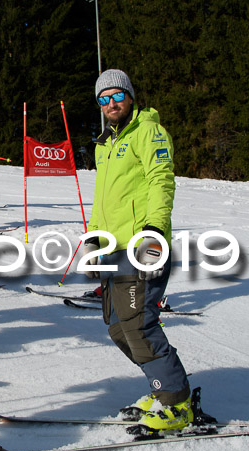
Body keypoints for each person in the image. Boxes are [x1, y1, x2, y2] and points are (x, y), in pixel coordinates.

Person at [83, 69, 191, 432]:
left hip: (142, 243)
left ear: (130, 97)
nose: (111, 104)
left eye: (117, 96)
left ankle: (176, 402)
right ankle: (159, 388)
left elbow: (162, 180)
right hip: (113, 247)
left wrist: (154, 229)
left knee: (139, 324)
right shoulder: (105, 142)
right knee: (117, 327)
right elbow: (102, 199)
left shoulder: (149, 132)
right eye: (103, 98)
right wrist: (94, 239)